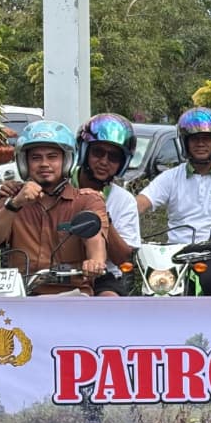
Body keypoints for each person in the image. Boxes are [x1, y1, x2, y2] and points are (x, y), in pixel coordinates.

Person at [0, 120, 108, 295]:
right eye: (35, 158)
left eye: (52, 157)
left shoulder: (87, 200)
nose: (44, 164)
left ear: (67, 160)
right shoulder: (13, 199)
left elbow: (95, 240)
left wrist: (95, 262)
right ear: (24, 163)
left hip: (72, 295)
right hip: (22, 296)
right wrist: (15, 204)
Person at [138, 107, 211, 295]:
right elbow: (142, 201)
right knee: (155, 287)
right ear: (184, 142)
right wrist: (121, 217)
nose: (200, 144)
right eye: (194, 139)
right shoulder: (171, 176)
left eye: (206, 139)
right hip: (176, 254)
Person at [75, 114, 140, 295]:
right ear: (84, 151)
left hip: (105, 275)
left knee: (110, 304)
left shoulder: (124, 200)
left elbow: (124, 259)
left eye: (113, 157)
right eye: (98, 153)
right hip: (61, 271)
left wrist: (101, 213)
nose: (104, 161)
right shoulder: (61, 188)